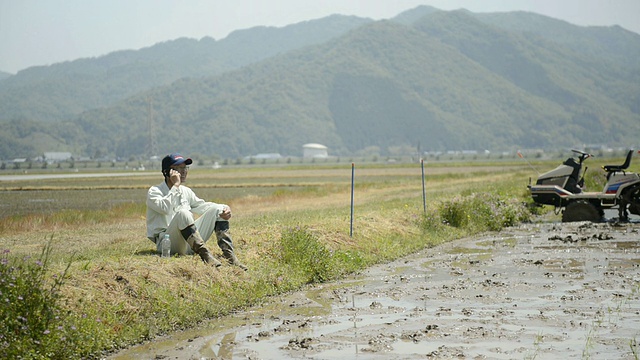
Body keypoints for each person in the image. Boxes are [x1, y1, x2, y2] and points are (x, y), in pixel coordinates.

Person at [146, 153, 247, 270]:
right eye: (178, 168)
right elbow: (165, 208)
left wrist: (225, 208)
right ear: (167, 172)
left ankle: (229, 256)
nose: (183, 172)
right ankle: (205, 255)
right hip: (167, 243)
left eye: (184, 168)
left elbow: (203, 206)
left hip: (190, 242)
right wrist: (176, 186)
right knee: (183, 213)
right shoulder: (154, 191)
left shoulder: (186, 191)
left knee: (218, 209)